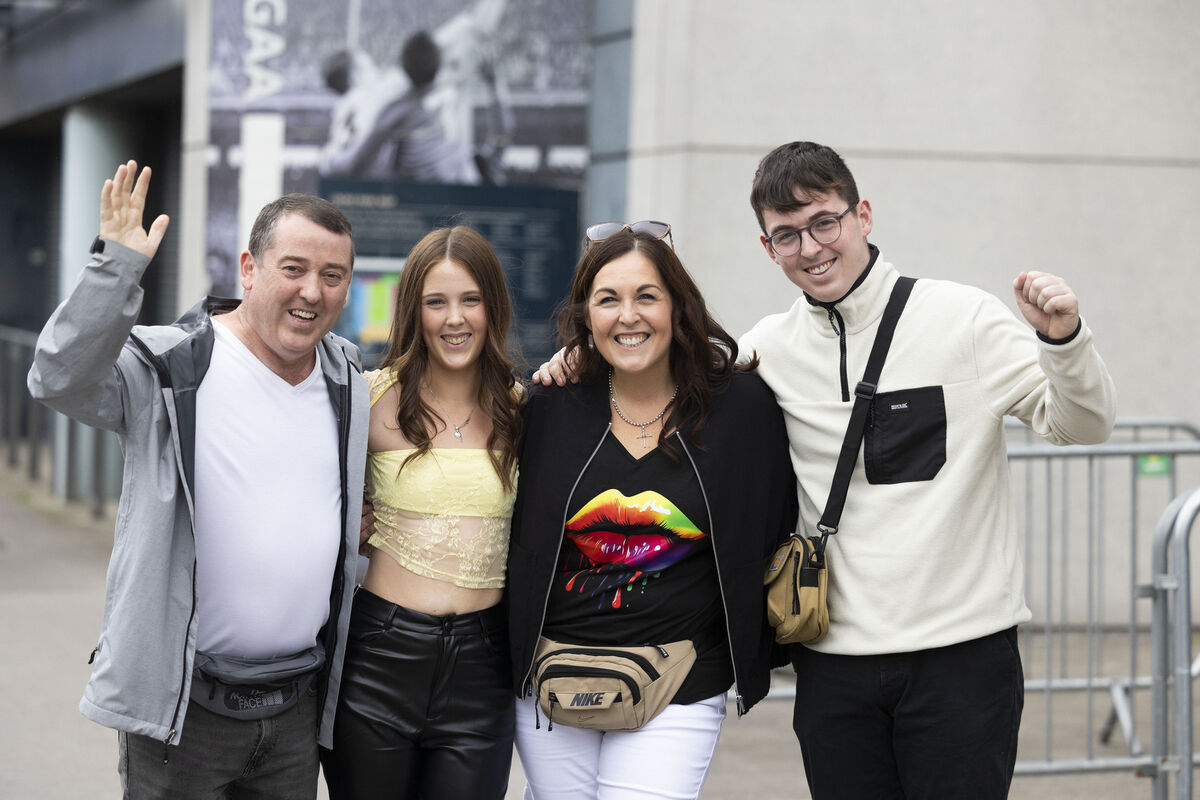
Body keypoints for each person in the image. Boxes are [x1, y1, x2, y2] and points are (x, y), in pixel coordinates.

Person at [534, 142, 1117, 798]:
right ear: (767, 247)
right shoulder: (763, 353)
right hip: (832, 669)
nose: (810, 248)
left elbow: (1082, 424)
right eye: (787, 234)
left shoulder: (966, 321)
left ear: (863, 214)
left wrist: (1064, 340)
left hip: (962, 662)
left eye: (824, 222)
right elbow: (658, 367)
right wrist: (579, 362)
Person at [27, 161, 369, 799]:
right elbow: (58, 379)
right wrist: (115, 269)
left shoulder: (348, 377)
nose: (312, 292)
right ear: (249, 269)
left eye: (333, 276)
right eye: (293, 268)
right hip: (183, 713)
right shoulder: (169, 363)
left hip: (297, 711)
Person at [508, 221, 798, 799]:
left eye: (647, 296)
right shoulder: (549, 404)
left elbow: (770, 525)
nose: (628, 315)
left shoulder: (740, 407)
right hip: (552, 681)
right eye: (607, 299)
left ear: (678, 307)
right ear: (586, 316)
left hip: (682, 680)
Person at [320, 226, 523, 799]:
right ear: (415, 309)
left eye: (470, 300)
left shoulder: (523, 408)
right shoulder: (369, 399)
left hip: (483, 666)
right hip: (379, 654)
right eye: (437, 302)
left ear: (493, 307)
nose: (454, 318)